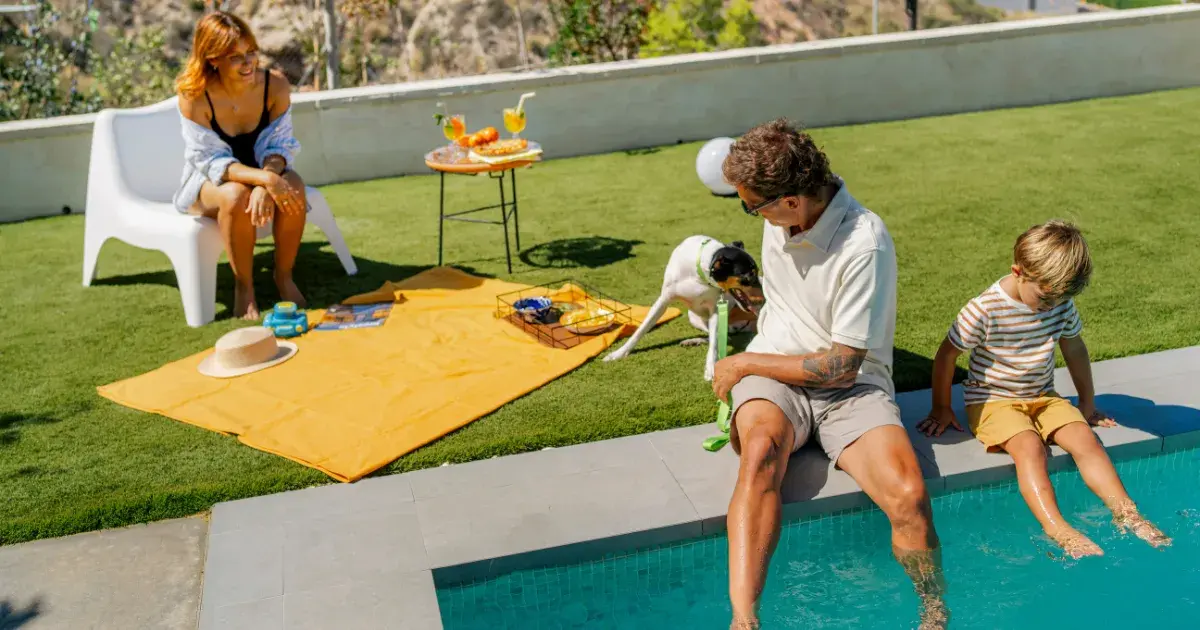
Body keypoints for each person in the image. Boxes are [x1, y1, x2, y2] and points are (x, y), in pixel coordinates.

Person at [716, 119, 946, 629]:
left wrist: (743, 362)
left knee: (908, 497)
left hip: (851, 384)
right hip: (778, 376)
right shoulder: (784, 210)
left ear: (792, 201)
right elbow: (791, 296)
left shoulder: (863, 243)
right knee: (760, 454)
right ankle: (744, 618)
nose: (751, 213)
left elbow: (842, 366)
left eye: (752, 206)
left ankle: (933, 612)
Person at [919, 220, 1171, 557]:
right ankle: (1058, 528)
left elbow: (1074, 348)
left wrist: (1086, 403)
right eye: (1045, 298)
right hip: (993, 400)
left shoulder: (1059, 301)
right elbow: (947, 355)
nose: (1052, 306)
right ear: (1018, 272)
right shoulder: (984, 309)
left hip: (1043, 396)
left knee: (1086, 440)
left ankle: (1128, 515)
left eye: (1060, 299)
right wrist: (941, 407)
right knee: (1030, 448)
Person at [173, 11, 307, 320]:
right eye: (235, 57)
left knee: (295, 185)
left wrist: (266, 179)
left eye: (251, 52)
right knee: (235, 195)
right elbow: (209, 160)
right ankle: (244, 287)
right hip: (208, 184)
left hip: (262, 173)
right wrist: (264, 180)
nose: (248, 63)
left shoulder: (274, 86)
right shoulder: (195, 97)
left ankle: (283, 276)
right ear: (213, 59)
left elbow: (280, 146)